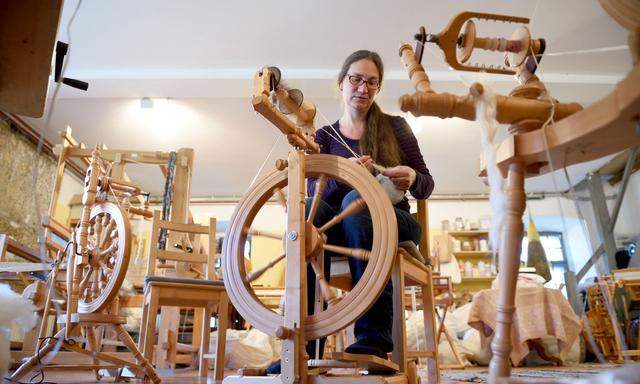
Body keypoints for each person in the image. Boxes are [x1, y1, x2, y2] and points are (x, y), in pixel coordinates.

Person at [267, 49, 434, 373]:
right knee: (309, 224)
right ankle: (303, 348)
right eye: (356, 79)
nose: (363, 88)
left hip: (397, 222)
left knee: (355, 206)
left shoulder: (396, 127)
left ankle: (375, 339)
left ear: (378, 88)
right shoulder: (325, 137)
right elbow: (314, 192)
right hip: (341, 227)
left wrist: (413, 176)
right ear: (341, 83)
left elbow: (427, 184)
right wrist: (342, 172)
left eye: (372, 82)